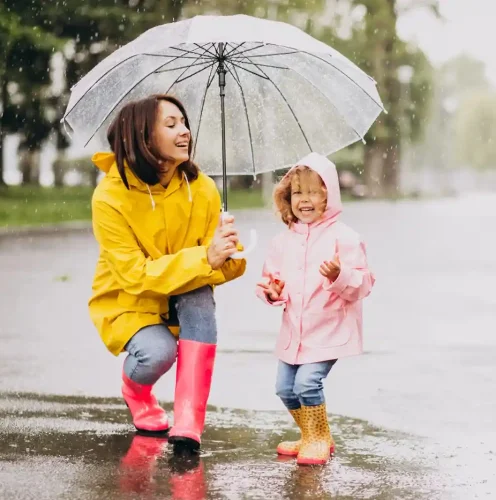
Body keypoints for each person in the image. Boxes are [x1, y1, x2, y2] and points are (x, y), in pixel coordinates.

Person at [88, 94, 246, 453]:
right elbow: (134, 275)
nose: (185, 131)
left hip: (184, 293)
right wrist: (205, 257)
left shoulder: (202, 187)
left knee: (200, 294)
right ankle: (136, 389)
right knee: (158, 353)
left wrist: (228, 251)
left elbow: (216, 264)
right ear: (143, 137)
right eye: (171, 124)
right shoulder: (109, 197)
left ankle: (189, 421)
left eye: (185, 123)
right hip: (132, 298)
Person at [256, 152, 375, 465]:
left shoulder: (344, 238)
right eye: (297, 192)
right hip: (294, 332)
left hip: (329, 330)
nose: (304, 200)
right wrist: (272, 291)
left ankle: (319, 438)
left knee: (307, 384)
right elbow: (269, 280)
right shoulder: (283, 242)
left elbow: (363, 284)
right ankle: (312, 435)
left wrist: (339, 276)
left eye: (312, 191)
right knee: (285, 388)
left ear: (328, 195)